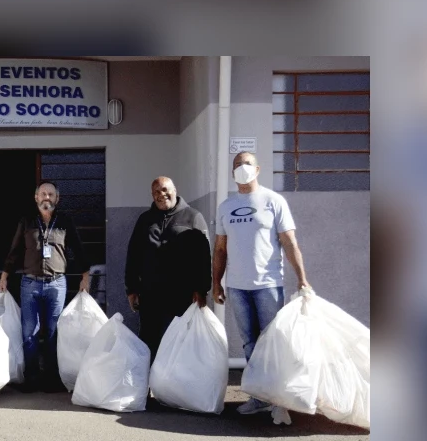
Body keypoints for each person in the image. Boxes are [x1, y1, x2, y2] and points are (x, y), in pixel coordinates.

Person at [213, 152, 311, 415]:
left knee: (273, 342)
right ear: (232, 172)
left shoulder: (273, 201)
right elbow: (220, 249)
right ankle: (259, 397)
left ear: (257, 169)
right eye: (237, 165)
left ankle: (279, 398)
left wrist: (302, 279)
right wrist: (217, 283)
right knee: (250, 344)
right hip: (237, 287)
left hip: (268, 285)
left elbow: (289, 243)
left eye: (246, 164)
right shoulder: (226, 206)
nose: (242, 168)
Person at [0, 181, 92, 391]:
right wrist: (4, 276)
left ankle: (51, 378)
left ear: (57, 199)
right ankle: (31, 378)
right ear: (36, 198)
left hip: (56, 284)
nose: (46, 198)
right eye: (43, 194)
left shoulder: (65, 221)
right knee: (29, 333)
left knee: (52, 333)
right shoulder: (26, 221)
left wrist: (85, 276)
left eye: (51, 194)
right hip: (29, 283)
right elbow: (14, 250)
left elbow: (78, 248)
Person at [125, 176, 212, 360]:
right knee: (149, 342)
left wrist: (202, 289)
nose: (161, 194)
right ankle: (147, 386)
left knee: (180, 343)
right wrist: (131, 288)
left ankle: (178, 387)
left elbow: (204, 258)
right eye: (156, 192)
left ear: (175, 190)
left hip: (182, 296)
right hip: (150, 295)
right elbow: (133, 254)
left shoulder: (193, 217)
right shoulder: (145, 220)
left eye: (165, 189)